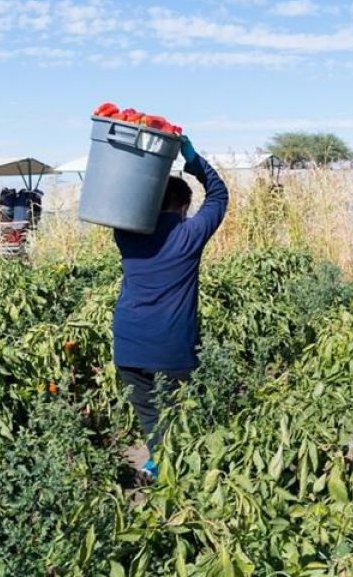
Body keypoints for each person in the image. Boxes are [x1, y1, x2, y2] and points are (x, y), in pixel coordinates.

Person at [112, 135, 229, 481]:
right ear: (182, 208)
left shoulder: (126, 235)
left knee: (151, 415)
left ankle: (159, 463)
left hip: (129, 348)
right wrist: (193, 160)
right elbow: (219, 195)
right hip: (172, 350)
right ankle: (176, 476)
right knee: (180, 413)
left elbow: (119, 200)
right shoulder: (188, 235)